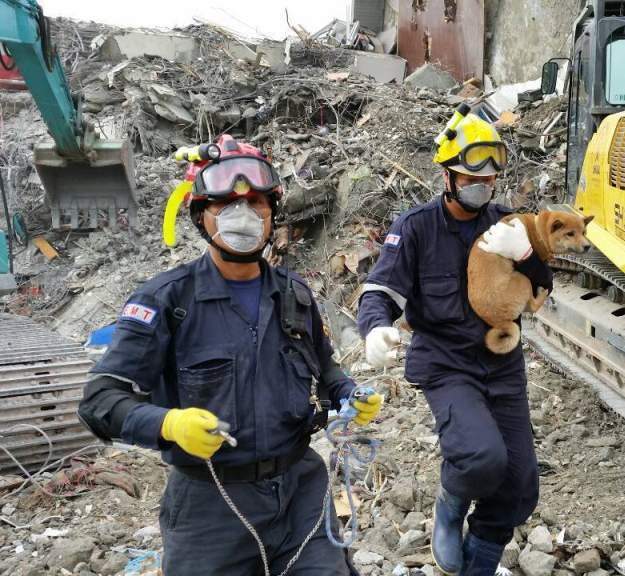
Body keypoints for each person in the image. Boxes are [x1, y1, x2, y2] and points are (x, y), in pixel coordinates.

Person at [78, 135, 382, 576]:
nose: (244, 215)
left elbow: (324, 367)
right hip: (211, 506)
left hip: (301, 492)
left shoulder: (294, 293)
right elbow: (99, 401)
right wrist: (169, 424)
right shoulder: (166, 300)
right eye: (225, 205)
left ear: (272, 213)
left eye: (257, 203)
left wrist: (349, 393)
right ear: (201, 216)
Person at [357, 112, 552, 575]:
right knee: (482, 459)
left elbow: (543, 290)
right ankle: (450, 502)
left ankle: (478, 560)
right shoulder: (417, 226)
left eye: (489, 177)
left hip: (502, 362)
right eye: (470, 176)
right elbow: (380, 289)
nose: (481, 185)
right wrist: (374, 329)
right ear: (447, 175)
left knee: (522, 482)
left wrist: (525, 254)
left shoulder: (508, 223)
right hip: (446, 363)